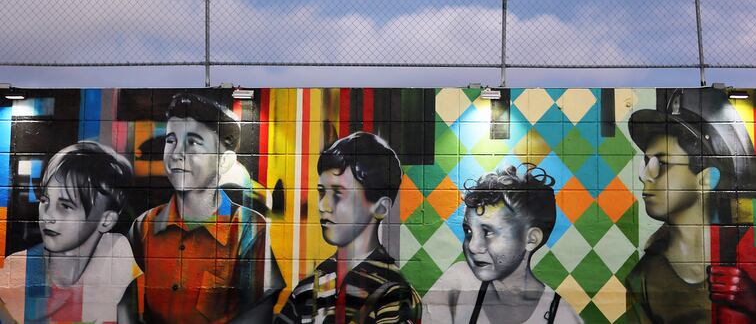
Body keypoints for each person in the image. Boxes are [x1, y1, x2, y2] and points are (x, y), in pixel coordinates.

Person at [121, 93, 284, 324]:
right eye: (171, 140)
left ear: (224, 161)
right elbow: (122, 298)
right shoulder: (144, 226)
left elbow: (258, 312)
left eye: (193, 142)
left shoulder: (248, 229)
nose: (177, 154)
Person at [625, 88, 755, 323]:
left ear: (705, 180)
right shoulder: (643, 279)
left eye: (662, 163)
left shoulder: (749, 266)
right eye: (646, 162)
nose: (644, 176)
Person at [276, 131, 421, 324]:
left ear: (380, 207)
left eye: (338, 193)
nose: (323, 206)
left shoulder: (393, 294)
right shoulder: (308, 288)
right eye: (321, 192)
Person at [423, 164, 582, 324]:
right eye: (468, 231)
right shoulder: (456, 284)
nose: (473, 246)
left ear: (531, 239)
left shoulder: (562, 317)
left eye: (487, 232)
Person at [0, 141, 139, 323]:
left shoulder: (118, 254)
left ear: (106, 221)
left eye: (65, 206)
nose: (48, 216)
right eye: (45, 200)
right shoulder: (20, 267)